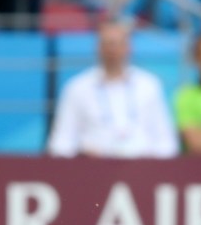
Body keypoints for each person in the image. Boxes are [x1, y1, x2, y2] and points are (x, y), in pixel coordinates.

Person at [47, 21, 179, 158]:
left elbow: (166, 141)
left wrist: (150, 161)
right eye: (107, 44)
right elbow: (61, 141)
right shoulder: (77, 87)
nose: (112, 50)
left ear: (128, 47)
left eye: (117, 44)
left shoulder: (149, 85)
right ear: (97, 47)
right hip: (91, 170)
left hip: (143, 169)